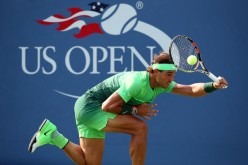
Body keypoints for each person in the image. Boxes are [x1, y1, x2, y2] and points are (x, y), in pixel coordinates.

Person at [28, 52, 228, 165]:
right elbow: (108, 105)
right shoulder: (135, 82)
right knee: (140, 128)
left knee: (89, 163)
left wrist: (213, 86)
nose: (172, 79)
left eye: (174, 74)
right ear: (156, 72)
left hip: (87, 108)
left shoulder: (162, 83)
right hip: (90, 107)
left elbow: (191, 90)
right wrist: (134, 111)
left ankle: (52, 134)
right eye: (169, 75)